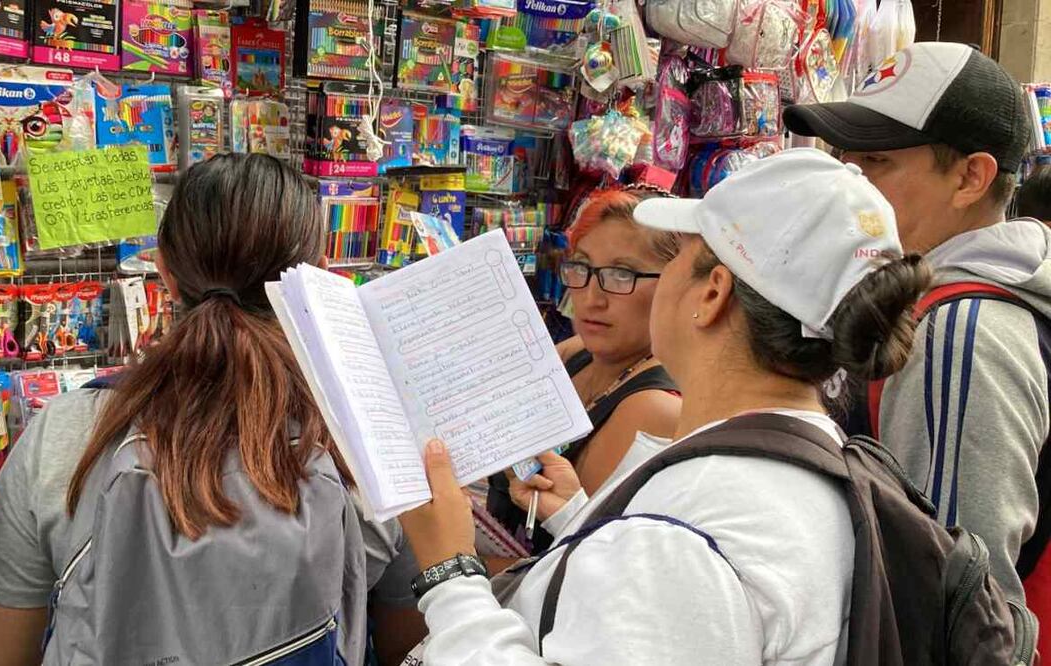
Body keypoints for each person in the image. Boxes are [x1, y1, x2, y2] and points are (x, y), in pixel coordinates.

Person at [398, 149, 931, 664]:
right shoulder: (805, 459)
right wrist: (579, 518)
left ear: (712, 293)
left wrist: (451, 575)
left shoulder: (682, 531)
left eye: (681, 259)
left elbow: (678, 569)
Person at [0, 154, 408, 665]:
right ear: (319, 278)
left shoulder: (64, 435)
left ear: (165, 274)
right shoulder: (373, 446)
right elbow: (411, 645)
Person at [784, 41, 1051, 642]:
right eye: (842, 158)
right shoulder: (938, 298)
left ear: (970, 177)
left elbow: (958, 607)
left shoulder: (961, 334)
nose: (847, 182)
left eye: (875, 162)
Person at [487, 188, 681, 553]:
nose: (592, 297)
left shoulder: (654, 408)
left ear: (673, 284)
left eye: (622, 274)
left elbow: (579, 563)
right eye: (581, 268)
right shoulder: (579, 355)